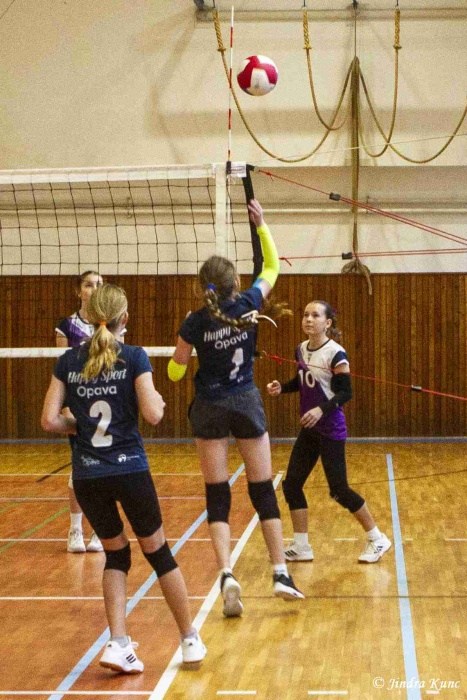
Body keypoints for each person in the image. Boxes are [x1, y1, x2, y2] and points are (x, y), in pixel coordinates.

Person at [42, 283, 206, 672]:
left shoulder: (68, 361)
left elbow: (49, 420)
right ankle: (189, 639)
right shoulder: (133, 357)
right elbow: (153, 414)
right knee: (159, 553)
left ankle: (118, 643)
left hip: (88, 476)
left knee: (116, 554)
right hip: (129, 469)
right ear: (125, 318)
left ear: (88, 316)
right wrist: (157, 402)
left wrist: (80, 425)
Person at [168, 198, 304, 618]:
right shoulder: (249, 303)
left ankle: (227, 573)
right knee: (262, 490)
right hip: (245, 401)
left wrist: (184, 348)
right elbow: (272, 267)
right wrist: (261, 225)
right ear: (234, 283)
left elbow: (175, 372)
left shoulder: (194, 321)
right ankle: (280, 572)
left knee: (217, 493)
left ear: (203, 288)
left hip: (209, 406)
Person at [266, 300, 392, 564]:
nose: (309, 319)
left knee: (339, 489)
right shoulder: (301, 349)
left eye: (315, 315)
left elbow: (345, 392)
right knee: (292, 484)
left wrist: (321, 410)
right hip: (309, 430)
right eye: (305, 315)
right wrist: (283, 388)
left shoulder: (336, 353)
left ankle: (377, 538)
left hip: (330, 429)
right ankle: (302, 546)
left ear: (328, 323)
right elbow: (304, 381)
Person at [55, 270, 105, 553]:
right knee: (80, 467)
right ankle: (75, 529)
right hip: (78, 405)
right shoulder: (67, 327)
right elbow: (60, 371)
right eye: (89, 285)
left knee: (104, 467)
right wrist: (64, 407)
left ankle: (100, 529)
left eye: (99, 284)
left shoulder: (111, 323)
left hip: (105, 404)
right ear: (79, 291)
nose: (94, 289)